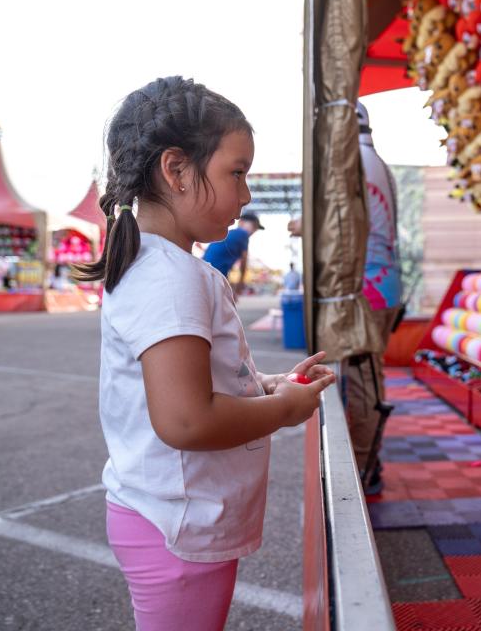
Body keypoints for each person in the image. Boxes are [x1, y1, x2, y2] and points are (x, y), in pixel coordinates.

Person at [74, 77, 335, 631]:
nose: (245, 196)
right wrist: (286, 410)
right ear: (175, 169)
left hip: (168, 516)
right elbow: (188, 418)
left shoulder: (162, 265)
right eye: (236, 173)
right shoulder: (168, 277)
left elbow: (195, 383)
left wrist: (261, 384)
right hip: (177, 526)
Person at [344, 100, 403, 494]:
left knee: (362, 377)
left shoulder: (355, 168)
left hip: (368, 288)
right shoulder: (377, 163)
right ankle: (371, 459)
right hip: (385, 285)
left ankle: (364, 465)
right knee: (371, 373)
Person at [202, 211, 264, 296]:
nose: (254, 230)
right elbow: (244, 262)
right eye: (254, 226)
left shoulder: (229, 233)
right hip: (214, 274)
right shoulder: (243, 233)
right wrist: (240, 283)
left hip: (207, 271)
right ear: (241, 222)